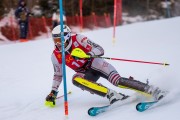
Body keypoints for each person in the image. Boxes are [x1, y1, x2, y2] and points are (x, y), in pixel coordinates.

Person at [45, 25, 166, 106]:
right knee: (76, 79)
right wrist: (53, 92)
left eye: (59, 40)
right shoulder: (55, 55)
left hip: (96, 63)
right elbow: (58, 74)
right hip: (85, 72)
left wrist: (87, 55)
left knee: (117, 81)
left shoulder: (78, 39)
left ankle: (152, 89)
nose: (58, 44)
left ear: (66, 36)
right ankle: (111, 94)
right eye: (55, 40)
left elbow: (100, 49)